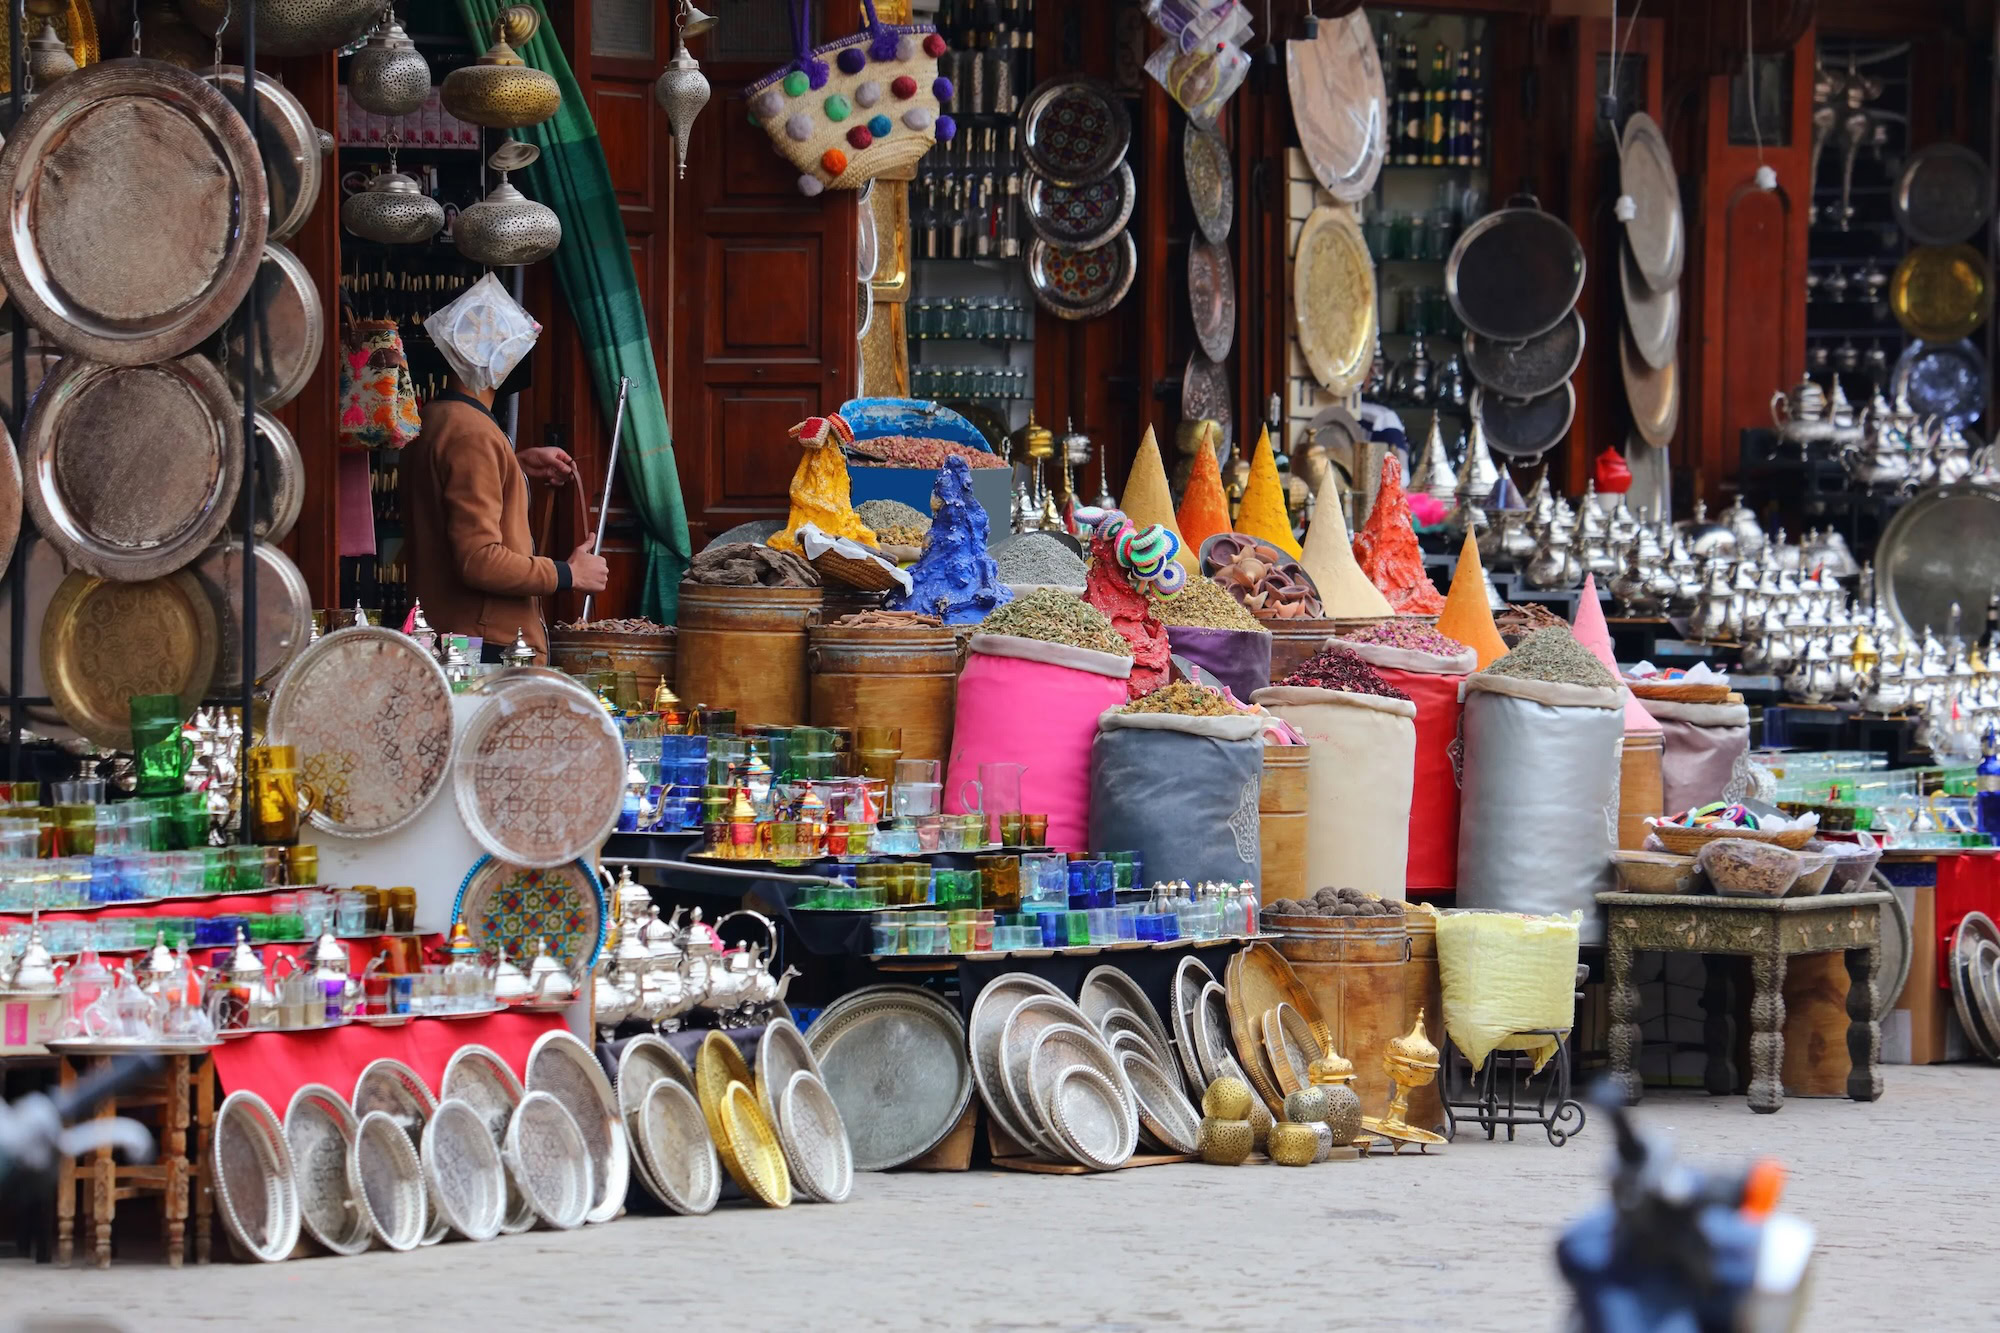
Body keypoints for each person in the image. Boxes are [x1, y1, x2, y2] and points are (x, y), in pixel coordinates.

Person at [400, 275, 607, 662]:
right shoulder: (472, 434)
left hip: (460, 637)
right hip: (483, 646)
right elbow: (478, 560)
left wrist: (516, 466)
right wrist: (567, 573)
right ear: (501, 358)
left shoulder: (437, 419)